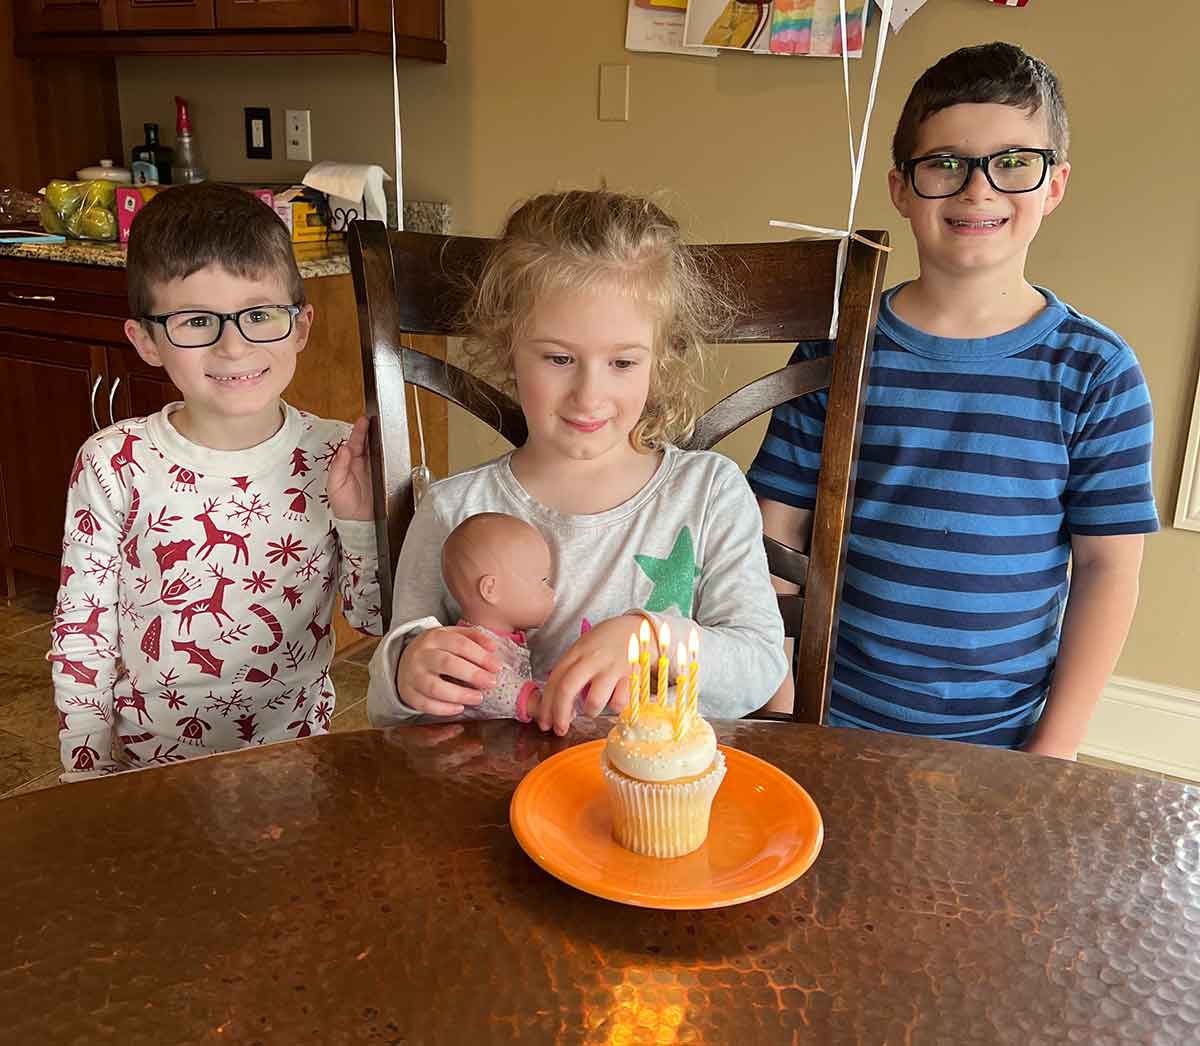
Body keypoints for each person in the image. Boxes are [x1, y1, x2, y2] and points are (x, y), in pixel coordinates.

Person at [749, 42, 1158, 758]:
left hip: (1002, 739)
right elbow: (775, 525)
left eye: (1013, 162)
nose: (978, 190)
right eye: (944, 163)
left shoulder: (1097, 370)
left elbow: (1108, 569)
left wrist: (1053, 749)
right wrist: (781, 698)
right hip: (828, 715)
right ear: (901, 188)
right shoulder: (836, 350)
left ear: (1054, 185)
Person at [367, 189, 788, 735]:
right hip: (488, 796)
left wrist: (655, 641)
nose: (589, 395)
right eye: (559, 358)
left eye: (622, 362)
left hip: (654, 796)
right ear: (507, 347)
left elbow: (759, 667)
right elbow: (382, 705)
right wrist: (408, 670)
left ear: (661, 360)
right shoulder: (454, 509)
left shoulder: (709, 492)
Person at [51, 182, 383, 780]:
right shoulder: (112, 461)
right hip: (148, 770)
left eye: (259, 315)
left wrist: (358, 522)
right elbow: (83, 631)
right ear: (147, 341)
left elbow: (373, 619)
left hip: (295, 761)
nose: (234, 346)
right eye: (197, 320)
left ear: (301, 327)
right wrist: (85, 770)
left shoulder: (339, 455)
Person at [437, 512, 554, 722]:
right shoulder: (472, 646)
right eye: (542, 581)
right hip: (473, 744)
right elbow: (491, 684)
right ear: (491, 589)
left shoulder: (505, 638)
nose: (552, 592)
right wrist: (534, 702)